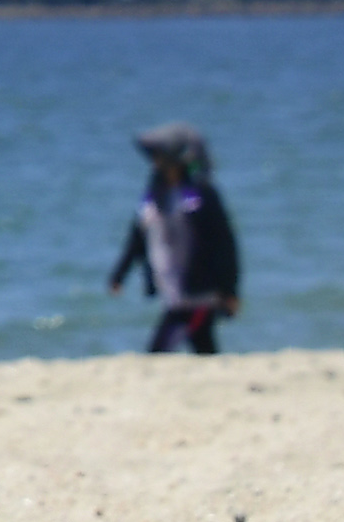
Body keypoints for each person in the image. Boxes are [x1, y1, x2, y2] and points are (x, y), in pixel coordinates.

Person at [103, 122, 241, 354]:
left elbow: (224, 244)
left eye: (160, 156)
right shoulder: (154, 197)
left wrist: (230, 290)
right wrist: (119, 274)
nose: (156, 162)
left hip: (200, 294)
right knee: (203, 349)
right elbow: (137, 238)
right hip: (172, 291)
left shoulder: (201, 196)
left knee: (162, 350)